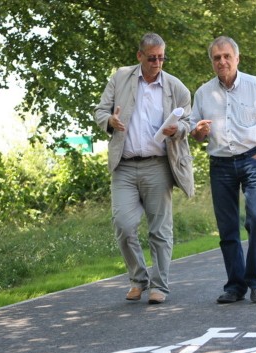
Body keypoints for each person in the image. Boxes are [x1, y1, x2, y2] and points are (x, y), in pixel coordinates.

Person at [94, 33, 192, 304]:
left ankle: (159, 285)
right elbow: (100, 111)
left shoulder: (176, 87)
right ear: (140, 56)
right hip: (123, 166)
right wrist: (110, 122)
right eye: (152, 58)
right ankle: (138, 278)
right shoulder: (121, 77)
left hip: (158, 165)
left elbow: (190, 122)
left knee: (160, 229)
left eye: (161, 57)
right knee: (123, 225)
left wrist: (178, 129)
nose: (157, 63)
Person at [190, 36, 256, 304]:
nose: (222, 61)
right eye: (217, 58)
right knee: (227, 228)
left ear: (237, 58)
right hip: (220, 165)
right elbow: (195, 134)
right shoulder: (203, 93)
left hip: (253, 160)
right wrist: (199, 132)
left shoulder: (255, 85)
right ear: (212, 62)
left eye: (227, 56)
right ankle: (235, 286)